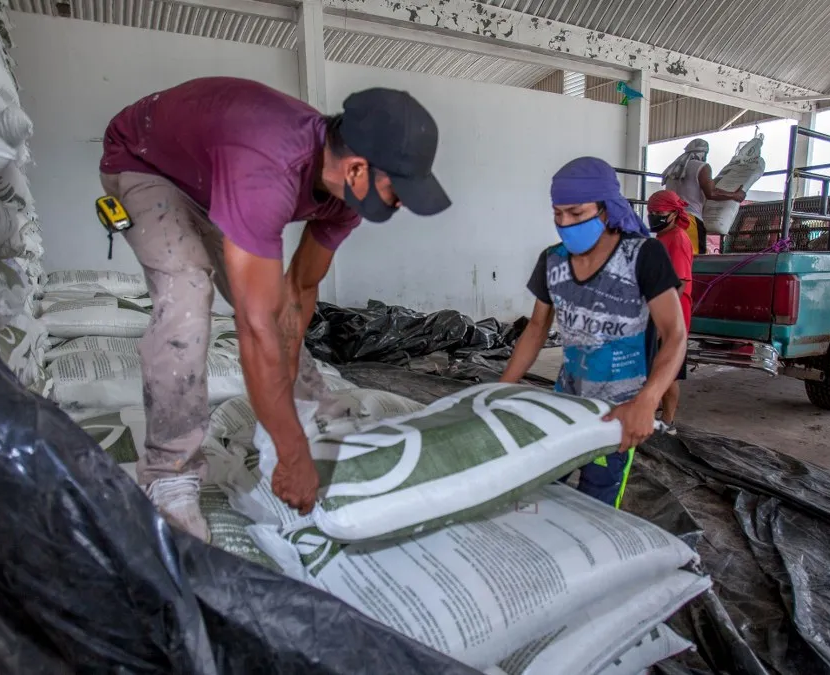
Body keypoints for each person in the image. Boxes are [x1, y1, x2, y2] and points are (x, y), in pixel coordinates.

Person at [99, 78, 450, 539]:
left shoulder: (344, 197)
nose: (402, 202)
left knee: (276, 304)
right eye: (398, 189)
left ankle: (308, 405)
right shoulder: (266, 167)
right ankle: (169, 473)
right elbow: (256, 327)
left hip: (212, 180)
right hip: (143, 161)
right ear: (358, 170)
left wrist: (294, 415)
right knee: (187, 293)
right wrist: (292, 454)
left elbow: (301, 288)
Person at [500, 157, 687, 508]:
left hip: (619, 413)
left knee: (596, 506)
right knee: (538, 491)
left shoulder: (643, 256)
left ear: (606, 209)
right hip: (566, 402)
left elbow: (674, 333)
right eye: (557, 214)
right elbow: (537, 328)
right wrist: (501, 389)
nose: (564, 223)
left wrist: (647, 402)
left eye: (575, 213)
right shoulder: (553, 261)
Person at [646, 190, 694, 433]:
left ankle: (668, 421)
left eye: (659, 213)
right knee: (654, 366)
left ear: (675, 214)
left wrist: (662, 321)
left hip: (672, 316)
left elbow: (680, 282)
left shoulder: (677, 238)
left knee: (667, 369)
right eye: (651, 213)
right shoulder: (659, 240)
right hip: (655, 311)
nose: (654, 217)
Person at [661, 138, 746, 255]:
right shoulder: (702, 167)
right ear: (704, 153)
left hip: (669, 220)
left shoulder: (673, 169)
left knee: (673, 257)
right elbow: (711, 193)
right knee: (695, 258)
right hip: (689, 220)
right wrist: (735, 195)